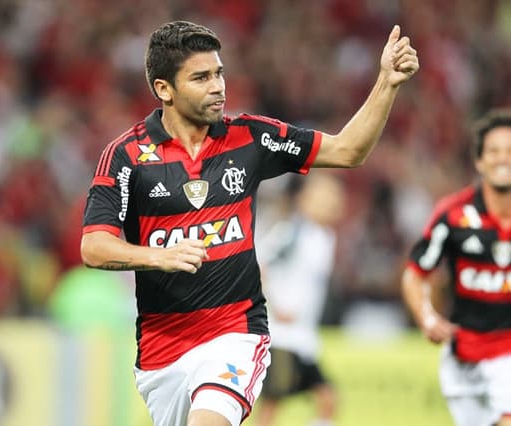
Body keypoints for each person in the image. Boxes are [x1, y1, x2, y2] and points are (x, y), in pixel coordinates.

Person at [81, 20, 418, 426]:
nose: (218, 86)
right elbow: (93, 246)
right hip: (161, 351)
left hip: (235, 333)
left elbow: (347, 150)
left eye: (219, 73)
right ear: (164, 89)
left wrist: (387, 83)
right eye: (201, 77)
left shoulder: (250, 138)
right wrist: (159, 256)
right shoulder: (127, 156)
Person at [401, 109, 511, 426]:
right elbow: (415, 273)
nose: (503, 159)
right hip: (463, 355)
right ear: (479, 162)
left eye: (509, 151)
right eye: (494, 151)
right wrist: (426, 317)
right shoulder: (453, 215)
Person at [256, 172, 345, 426]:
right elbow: (260, 265)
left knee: (328, 399)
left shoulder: (324, 237)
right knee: (272, 405)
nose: (333, 202)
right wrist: (277, 305)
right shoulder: (292, 233)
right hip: (282, 336)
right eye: (325, 195)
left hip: (304, 338)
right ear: (305, 200)